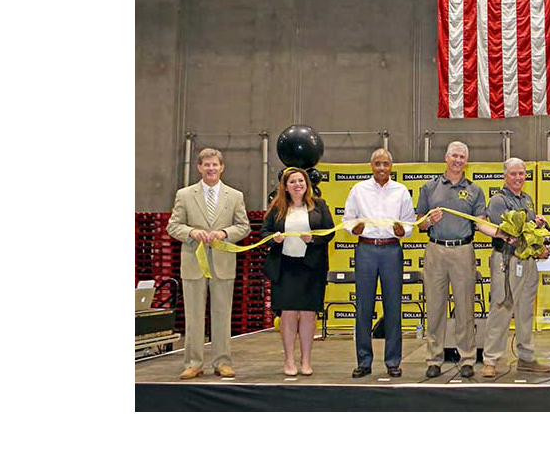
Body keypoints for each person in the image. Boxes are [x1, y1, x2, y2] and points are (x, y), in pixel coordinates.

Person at [416, 141, 499, 379]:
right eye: (454, 155)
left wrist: (501, 232)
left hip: (463, 251)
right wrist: (429, 221)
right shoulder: (429, 187)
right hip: (436, 250)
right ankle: (434, 358)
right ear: (446, 157)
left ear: (467, 161)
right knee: (435, 307)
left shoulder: (475, 190)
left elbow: (481, 222)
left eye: (462, 157)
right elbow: (419, 224)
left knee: (465, 308)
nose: (458, 160)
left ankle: (467, 358)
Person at [166, 148, 250, 380]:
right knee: (193, 315)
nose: (211, 168)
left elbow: (243, 226)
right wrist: (192, 231)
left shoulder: (235, 196)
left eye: (215, 164)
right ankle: (193, 362)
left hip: (223, 263)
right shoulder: (184, 195)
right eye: (207, 165)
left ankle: (223, 362)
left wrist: (224, 232)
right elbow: (173, 226)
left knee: (222, 313)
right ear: (199, 167)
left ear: (222, 167)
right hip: (194, 262)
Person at [344, 148, 416, 378]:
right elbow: (347, 220)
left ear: (391, 166)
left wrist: (401, 231)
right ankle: (364, 362)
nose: (382, 168)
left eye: (386, 164)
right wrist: (353, 229)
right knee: (364, 307)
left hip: (391, 249)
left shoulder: (401, 191)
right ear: (371, 165)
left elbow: (410, 224)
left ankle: (393, 361)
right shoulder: (358, 190)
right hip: (365, 248)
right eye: (378, 164)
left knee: (393, 306)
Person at [480, 158, 550, 377]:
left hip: (528, 263)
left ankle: (526, 358)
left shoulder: (528, 199)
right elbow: (510, 236)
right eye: (513, 174)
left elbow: (528, 232)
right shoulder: (498, 201)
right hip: (507, 260)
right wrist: (535, 248)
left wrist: (539, 229)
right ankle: (490, 360)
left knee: (525, 311)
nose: (518, 178)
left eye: (521, 174)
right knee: (501, 308)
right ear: (505, 176)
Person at [260, 167, 335, 376]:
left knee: (309, 314)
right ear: (285, 186)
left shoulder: (319, 205)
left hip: (311, 267)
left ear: (307, 184)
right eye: (292, 182)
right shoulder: (277, 207)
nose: (297, 185)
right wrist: (273, 238)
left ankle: (306, 361)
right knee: (289, 313)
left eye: (300, 181)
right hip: (285, 267)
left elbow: (329, 231)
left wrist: (314, 239)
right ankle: (289, 360)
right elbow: (263, 231)